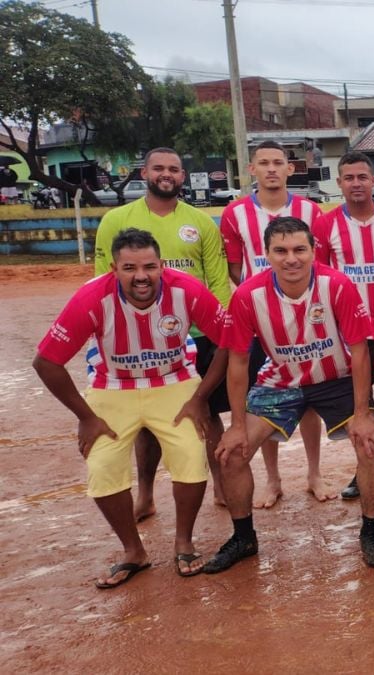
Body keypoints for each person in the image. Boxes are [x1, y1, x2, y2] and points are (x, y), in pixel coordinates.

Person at [33, 228, 227, 586]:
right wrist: (86, 417)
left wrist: (200, 398)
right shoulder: (91, 297)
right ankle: (133, 551)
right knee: (102, 466)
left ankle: (184, 542)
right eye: (129, 268)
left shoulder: (186, 289)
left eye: (149, 267)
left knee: (190, 456)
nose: (141, 276)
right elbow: (46, 361)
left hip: (173, 381)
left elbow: (230, 340)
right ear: (114, 268)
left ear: (161, 265)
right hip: (113, 386)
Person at [205, 217, 374, 572]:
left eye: (299, 249)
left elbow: (360, 351)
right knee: (233, 453)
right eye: (281, 251)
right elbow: (238, 362)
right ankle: (243, 537)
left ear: (314, 251)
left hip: (337, 379)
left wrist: (363, 413)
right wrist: (237, 425)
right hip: (280, 382)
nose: (291, 259)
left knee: (370, 443)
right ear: (266, 254)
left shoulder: (337, 285)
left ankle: (371, 530)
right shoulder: (247, 296)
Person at [92, 147, 232, 521]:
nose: (165, 174)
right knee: (146, 423)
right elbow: (103, 279)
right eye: (158, 168)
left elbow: (217, 279)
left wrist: (220, 328)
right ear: (145, 173)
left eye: (173, 169)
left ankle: (220, 485)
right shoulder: (115, 220)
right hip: (139, 335)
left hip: (197, 333)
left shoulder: (201, 223)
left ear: (182, 176)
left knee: (207, 412)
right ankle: (146, 495)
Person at [219, 140, 328, 507]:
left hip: (307, 316)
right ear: (251, 169)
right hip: (259, 320)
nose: (270, 169)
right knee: (262, 397)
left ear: (289, 169)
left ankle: (314, 473)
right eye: (263, 163)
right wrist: (260, 300)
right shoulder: (235, 213)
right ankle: (273, 478)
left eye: (277, 162)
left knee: (308, 394)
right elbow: (235, 266)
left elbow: (320, 262)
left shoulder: (311, 211)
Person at [311, 152, 374, 502]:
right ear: (339, 183)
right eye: (349, 178)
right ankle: (365, 466)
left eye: (362, 177)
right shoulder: (326, 224)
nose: (356, 183)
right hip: (351, 331)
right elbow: (319, 275)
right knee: (361, 402)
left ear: (373, 180)